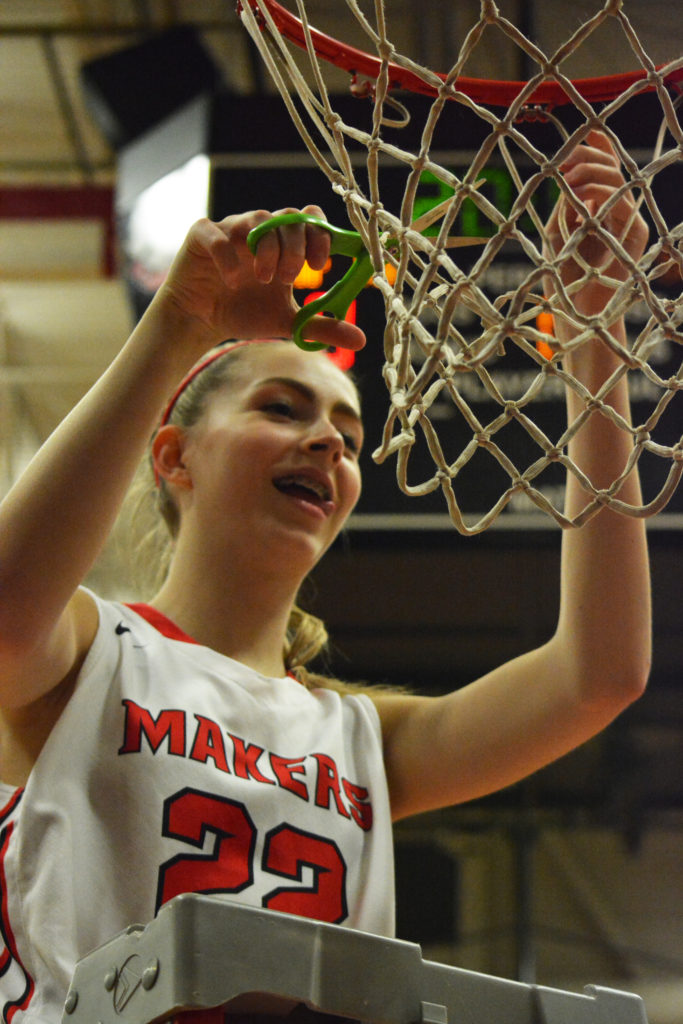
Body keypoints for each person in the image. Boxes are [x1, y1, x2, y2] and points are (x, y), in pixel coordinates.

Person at [0, 130, 650, 1023]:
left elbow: (600, 672)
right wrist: (181, 321)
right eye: (281, 407)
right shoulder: (90, 652)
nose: (327, 444)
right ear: (173, 456)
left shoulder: (355, 736)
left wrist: (594, 340)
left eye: (347, 437)